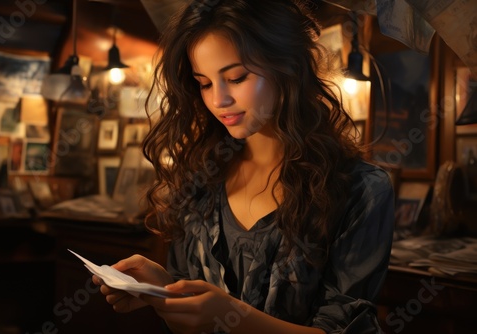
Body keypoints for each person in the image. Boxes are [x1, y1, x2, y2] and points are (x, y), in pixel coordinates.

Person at [93, 0, 394, 333]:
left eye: (236, 78)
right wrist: (164, 291)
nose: (218, 100)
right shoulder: (201, 176)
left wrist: (233, 316)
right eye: (204, 83)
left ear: (288, 67)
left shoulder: (359, 189)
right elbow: (190, 321)